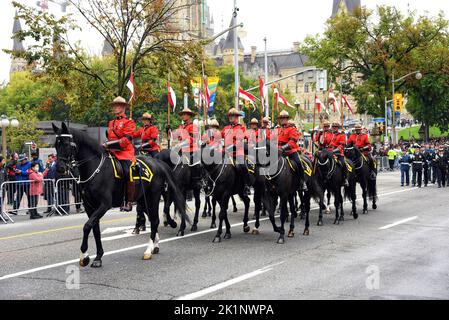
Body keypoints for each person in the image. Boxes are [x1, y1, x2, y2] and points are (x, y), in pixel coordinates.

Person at [103, 96, 136, 212]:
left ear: (123, 107)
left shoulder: (129, 122)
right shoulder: (111, 123)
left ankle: (129, 201)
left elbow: (126, 140)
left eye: (117, 105)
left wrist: (109, 145)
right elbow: (109, 138)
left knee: (128, 172)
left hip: (125, 152)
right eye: (114, 105)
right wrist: (106, 145)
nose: (115, 107)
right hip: (112, 152)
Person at [276, 110, 308, 191]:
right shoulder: (278, 130)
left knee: (299, 162)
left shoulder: (292, 129)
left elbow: (292, 141)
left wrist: (283, 148)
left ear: (287, 119)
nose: (282, 120)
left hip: (290, 152)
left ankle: (302, 181)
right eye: (281, 118)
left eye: (284, 118)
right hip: (279, 152)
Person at [221, 108, 249, 188]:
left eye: (232, 116)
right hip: (226, 153)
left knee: (242, 166)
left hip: (237, 153)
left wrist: (232, 146)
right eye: (229, 116)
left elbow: (240, 140)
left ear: (237, 117)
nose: (230, 117)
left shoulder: (241, 127)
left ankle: (245, 185)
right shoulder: (226, 128)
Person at [175, 107, 201, 189]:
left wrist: (181, 144)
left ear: (189, 116)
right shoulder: (181, 127)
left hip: (191, 150)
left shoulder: (193, 126)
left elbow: (192, 139)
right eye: (182, 114)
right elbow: (176, 136)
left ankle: (198, 181)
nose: (182, 116)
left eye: (184, 114)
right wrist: (168, 131)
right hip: (182, 150)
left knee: (196, 166)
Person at [329, 122, 349, 186]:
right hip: (329, 153)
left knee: (343, 164)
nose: (334, 128)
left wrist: (334, 150)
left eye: (336, 127)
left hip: (338, 153)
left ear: (338, 128)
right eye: (333, 127)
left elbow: (342, 145)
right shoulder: (329, 134)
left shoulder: (341, 135)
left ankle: (345, 178)